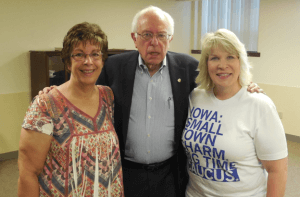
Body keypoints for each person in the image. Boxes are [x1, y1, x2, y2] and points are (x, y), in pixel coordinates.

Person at [39, 6, 262, 197]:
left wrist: (246, 87)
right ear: (134, 38)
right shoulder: (114, 67)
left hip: (170, 173)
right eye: (146, 35)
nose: (154, 43)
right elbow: (84, 85)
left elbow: (218, 84)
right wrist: (55, 90)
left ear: (170, 39)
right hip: (125, 172)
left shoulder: (188, 67)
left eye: (161, 35)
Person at [18, 22, 124, 196]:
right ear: (68, 62)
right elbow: (27, 173)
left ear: (103, 60)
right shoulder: (45, 105)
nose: (88, 62)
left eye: (95, 54)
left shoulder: (108, 97)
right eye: (79, 55)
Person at [182, 29, 288, 197]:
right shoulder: (196, 97)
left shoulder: (259, 105)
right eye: (214, 58)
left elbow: (277, 170)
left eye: (230, 57)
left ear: (241, 61)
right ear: (206, 64)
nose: (222, 65)